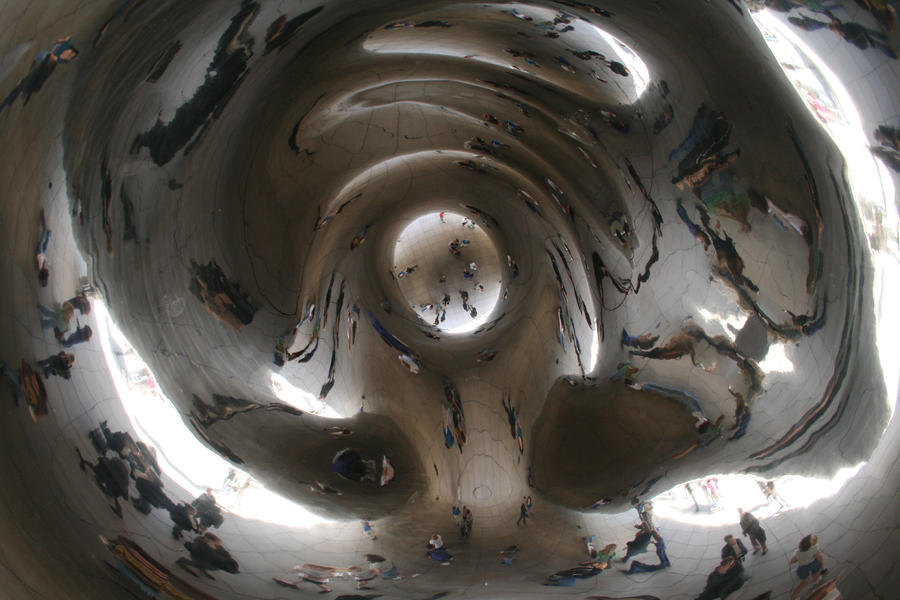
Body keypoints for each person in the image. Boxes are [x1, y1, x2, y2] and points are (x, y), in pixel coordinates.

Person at [790, 534, 826, 599]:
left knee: (805, 581)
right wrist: (822, 566)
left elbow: (792, 561)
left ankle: (794, 597)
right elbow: (819, 557)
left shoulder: (798, 553)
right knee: (815, 573)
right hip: (813, 563)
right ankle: (816, 581)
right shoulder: (815, 548)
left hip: (803, 567)